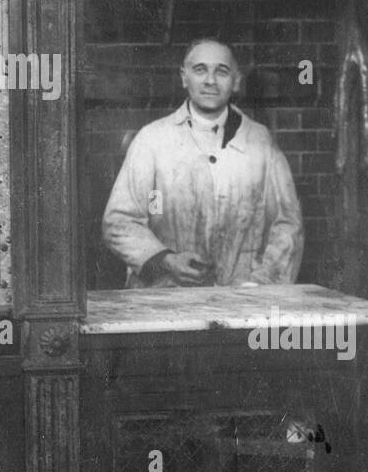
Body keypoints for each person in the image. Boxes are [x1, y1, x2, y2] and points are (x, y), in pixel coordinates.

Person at [102, 38, 304, 287]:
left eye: (221, 71)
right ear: (184, 77)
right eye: (200, 70)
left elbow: (287, 226)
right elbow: (120, 221)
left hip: (242, 303)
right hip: (164, 300)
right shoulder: (152, 139)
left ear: (236, 81)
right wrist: (166, 260)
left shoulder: (261, 143)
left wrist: (258, 285)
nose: (210, 80)